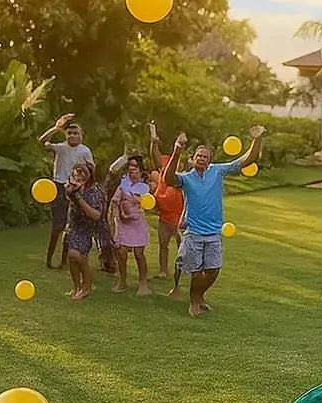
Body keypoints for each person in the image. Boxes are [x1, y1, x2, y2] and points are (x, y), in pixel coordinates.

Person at [162, 126, 265, 317]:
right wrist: (177, 151)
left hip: (214, 233)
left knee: (213, 270)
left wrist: (256, 140)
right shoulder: (186, 179)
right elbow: (168, 179)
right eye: (198, 155)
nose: (201, 158)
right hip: (193, 233)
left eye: (205, 156)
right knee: (196, 271)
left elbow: (246, 160)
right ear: (192, 160)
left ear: (210, 161)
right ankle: (194, 301)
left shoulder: (217, 171)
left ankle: (199, 295)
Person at [38, 114, 94, 269]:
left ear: (81, 136)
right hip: (59, 188)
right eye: (69, 133)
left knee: (70, 227)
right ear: (66, 135)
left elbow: (91, 170)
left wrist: (82, 184)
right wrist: (56, 128)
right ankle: (49, 259)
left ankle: (64, 261)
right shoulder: (61, 147)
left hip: (76, 190)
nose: (72, 136)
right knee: (57, 226)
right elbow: (42, 142)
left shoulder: (85, 151)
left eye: (76, 133)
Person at [110, 154, 153, 297]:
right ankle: (122, 281)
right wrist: (118, 215)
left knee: (139, 254)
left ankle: (143, 284)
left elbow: (149, 204)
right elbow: (115, 201)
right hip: (123, 222)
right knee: (121, 252)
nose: (131, 169)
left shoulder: (145, 187)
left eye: (135, 167)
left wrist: (139, 200)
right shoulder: (123, 184)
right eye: (130, 166)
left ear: (141, 170)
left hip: (137, 223)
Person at [63, 160, 104, 301]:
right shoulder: (71, 186)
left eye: (82, 172)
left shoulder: (95, 191)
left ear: (90, 176)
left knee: (77, 255)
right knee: (72, 257)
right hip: (73, 226)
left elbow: (96, 215)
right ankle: (76, 287)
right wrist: (72, 192)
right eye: (76, 171)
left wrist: (78, 198)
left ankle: (86, 287)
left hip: (86, 228)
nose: (78, 174)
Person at [149, 121, 185, 279]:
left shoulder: (184, 166)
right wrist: (153, 140)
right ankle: (163, 271)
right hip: (164, 214)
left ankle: (183, 270)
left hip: (179, 216)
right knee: (163, 245)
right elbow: (154, 155)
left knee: (182, 246)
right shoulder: (166, 161)